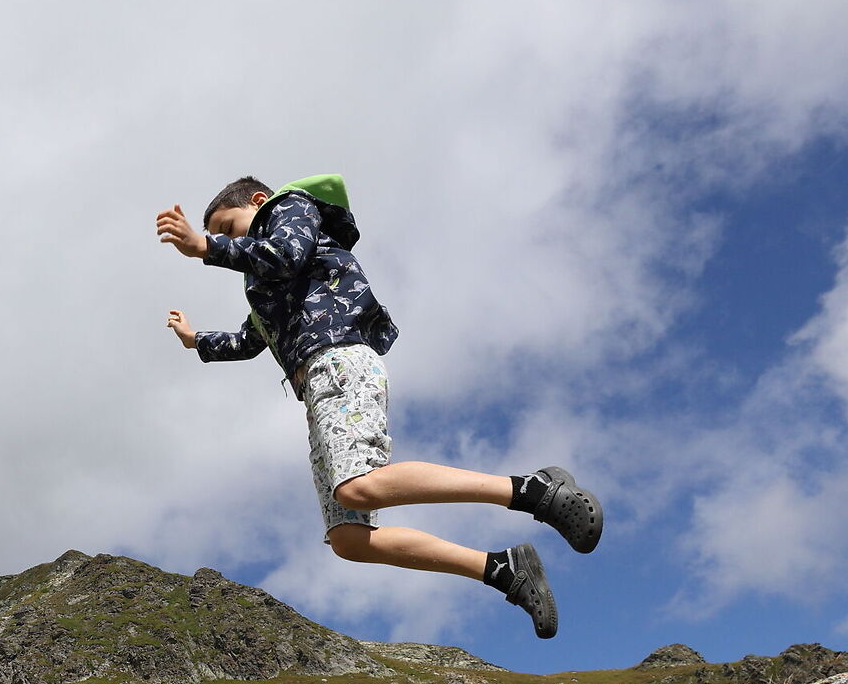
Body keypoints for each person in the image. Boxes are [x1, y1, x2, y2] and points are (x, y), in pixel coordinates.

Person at [156, 175, 601, 639]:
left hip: (338, 362)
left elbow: (285, 254)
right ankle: (503, 570)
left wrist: (206, 247)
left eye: (229, 228)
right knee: (348, 540)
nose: (229, 240)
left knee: (358, 486)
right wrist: (195, 340)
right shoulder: (263, 282)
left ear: (258, 201)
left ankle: (534, 490)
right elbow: (251, 340)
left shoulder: (289, 210)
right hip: (316, 388)